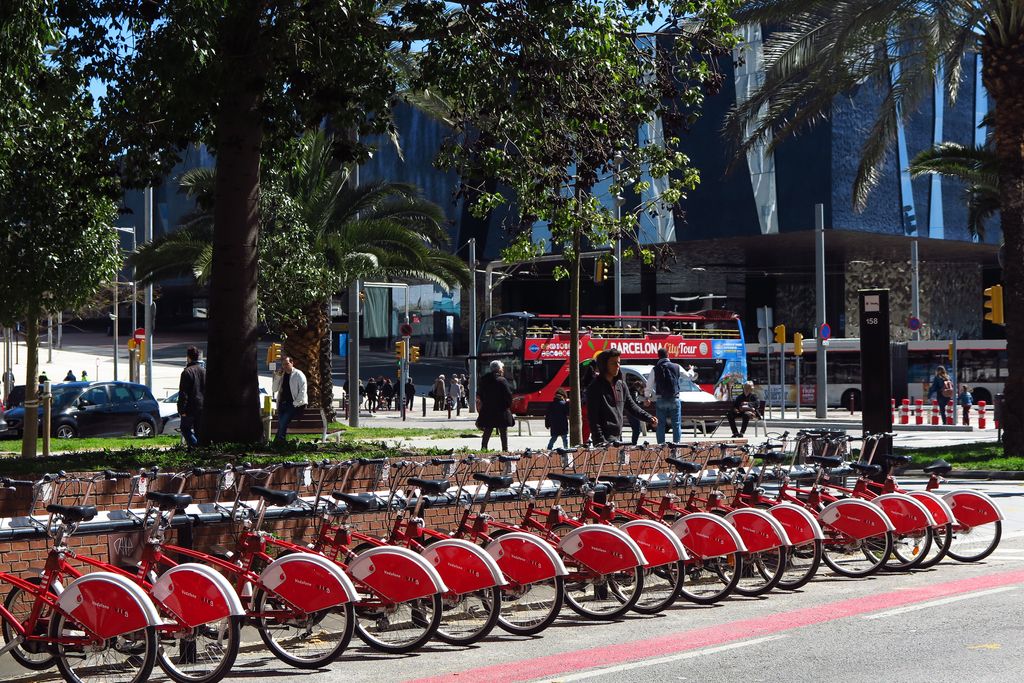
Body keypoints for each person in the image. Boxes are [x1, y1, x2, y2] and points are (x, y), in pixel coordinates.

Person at [586, 348, 656, 445]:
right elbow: (593, 417)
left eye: (618, 362)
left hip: (618, 436)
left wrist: (649, 418)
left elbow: (631, 406)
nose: (617, 366)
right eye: (613, 363)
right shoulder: (595, 387)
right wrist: (599, 440)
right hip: (604, 439)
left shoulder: (621, 385)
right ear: (604, 365)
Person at [645, 348, 684, 444]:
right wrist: (691, 370)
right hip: (674, 398)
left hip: (660, 399)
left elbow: (649, 385)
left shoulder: (655, 369)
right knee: (676, 424)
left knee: (660, 425)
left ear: (658, 356)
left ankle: (661, 446)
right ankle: (676, 445)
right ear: (668, 355)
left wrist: (647, 397)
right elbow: (689, 376)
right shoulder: (677, 366)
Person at [477, 361, 513, 451]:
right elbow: (508, 395)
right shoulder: (502, 380)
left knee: (488, 429)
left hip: (488, 409)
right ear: (499, 369)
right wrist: (507, 405)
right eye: (502, 368)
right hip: (501, 409)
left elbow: (480, 394)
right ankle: (505, 450)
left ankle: (483, 449)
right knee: (503, 431)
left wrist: (485, 403)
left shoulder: (484, 380)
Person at [272, 356, 308, 442]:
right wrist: (277, 377)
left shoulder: (298, 374)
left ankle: (278, 442)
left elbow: (303, 391)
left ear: (292, 363)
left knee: (283, 423)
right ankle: (279, 442)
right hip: (281, 403)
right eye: (283, 364)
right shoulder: (282, 375)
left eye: (287, 364)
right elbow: (274, 389)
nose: (285, 366)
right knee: (282, 424)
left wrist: (295, 403)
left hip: (292, 404)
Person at [177, 346, 206, 448]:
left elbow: (183, 393)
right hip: (202, 407)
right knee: (199, 430)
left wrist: (182, 409)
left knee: (185, 429)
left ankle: (195, 447)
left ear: (188, 357)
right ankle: (198, 449)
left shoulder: (187, 372)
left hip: (190, 407)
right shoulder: (204, 371)